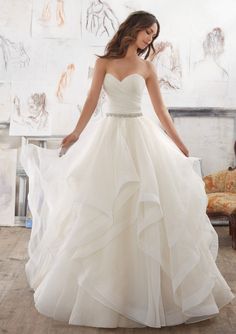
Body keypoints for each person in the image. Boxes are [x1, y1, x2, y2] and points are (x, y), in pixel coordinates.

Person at [20, 10, 235, 328]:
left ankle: (145, 291)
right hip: (108, 137)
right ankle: (106, 288)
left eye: (154, 34)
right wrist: (77, 133)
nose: (150, 38)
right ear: (133, 29)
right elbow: (92, 100)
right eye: (148, 31)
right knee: (104, 208)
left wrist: (180, 143)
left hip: (140, 137)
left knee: (143, 207)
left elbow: (161, 110)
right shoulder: (104, 62)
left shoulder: (147, 67)